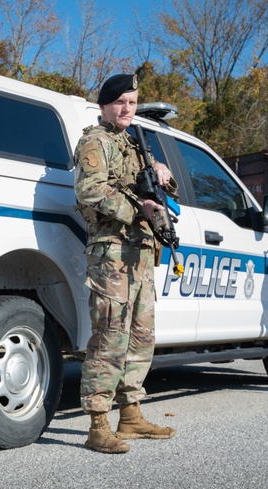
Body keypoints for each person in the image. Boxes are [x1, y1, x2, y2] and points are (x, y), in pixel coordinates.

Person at [73, 74, 177, 454]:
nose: (127, 109)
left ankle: (130, 415)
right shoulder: (95, 141)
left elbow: (149, 186)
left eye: (132, 102)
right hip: (112, 252)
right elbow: (90, 189)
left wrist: (164, 175)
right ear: (104, 105)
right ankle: (98, 424)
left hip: (141, 254)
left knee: (140, 335)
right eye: (120, 102)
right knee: (109, 336)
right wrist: (138, 211)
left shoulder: (134, 143)